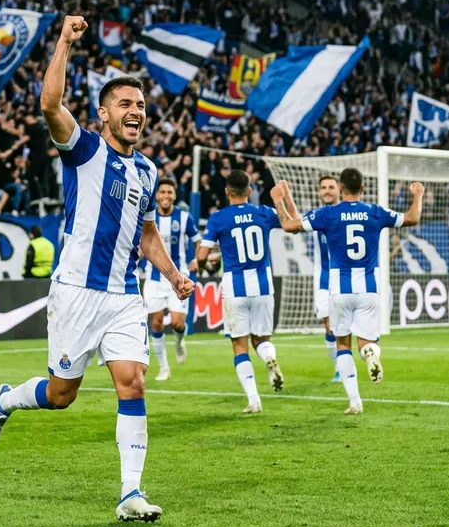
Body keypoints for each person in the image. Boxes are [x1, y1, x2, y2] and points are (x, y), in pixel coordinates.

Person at [0, 15, 194, 523]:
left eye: (140, 106)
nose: (135, 112)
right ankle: (7, 400)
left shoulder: (148, 170)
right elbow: (49, 104)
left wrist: (171, 274)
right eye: (125, 104)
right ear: (103, 113)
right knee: (61, 396)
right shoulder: (84, 149)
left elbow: (147, 236)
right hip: (76, 291)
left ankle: (130, 492)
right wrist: (63, 44)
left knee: (132, 382)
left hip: (123, 294)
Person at [271, 169, 424, 414]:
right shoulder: (376, 212)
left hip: (339, 288)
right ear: (363, 188)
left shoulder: (328, 214)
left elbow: (289, 226)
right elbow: (412, 218)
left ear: (340, 189)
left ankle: (355, 402)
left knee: (342, 343)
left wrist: (279, 200)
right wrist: (417, 194)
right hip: (370, 288)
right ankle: (371, 353)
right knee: (367, 341)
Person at [196, 169, 284, 414]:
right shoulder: (264, 213)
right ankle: (268, 357)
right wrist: (280, 199)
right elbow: (288, 222)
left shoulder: (218, 218)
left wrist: (202, 265)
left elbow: (202, 255)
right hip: (263, 285)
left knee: (239, 345)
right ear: (250, 191)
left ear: (226, 192)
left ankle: (254, 400)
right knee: (262, 340)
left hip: (235, 287)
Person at [143, 177, 200, 381]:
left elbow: (197, 241)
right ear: (157, 196)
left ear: (174, 196)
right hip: (154, 278)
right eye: (163, 192)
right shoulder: (148, 218)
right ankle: (164, 368)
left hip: (179, 276)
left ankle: (178, 341)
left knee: (177, 323)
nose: (166, 196)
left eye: (170, 192)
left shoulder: (184, 217)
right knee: (156, 323)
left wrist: (196, 258)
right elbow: (142, 244)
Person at [312, 175, 342, 383]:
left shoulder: (347, 212)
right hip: (324, 279)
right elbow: (292, 223)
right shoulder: (318, 216)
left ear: (339, 189)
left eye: (331, 187)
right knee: (329, 325)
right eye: (323, 188)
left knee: (345, 326)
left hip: (347, 277)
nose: (327, 191)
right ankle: (339, 369)